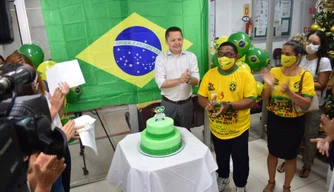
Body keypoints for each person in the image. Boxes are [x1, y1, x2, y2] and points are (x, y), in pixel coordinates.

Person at [198, 41, 257, 192]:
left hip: (238, 129)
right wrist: (207, 105)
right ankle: (223, 176)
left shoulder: (244, 75)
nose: (224, 58)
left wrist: (229, 106)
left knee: (240, 159)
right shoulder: (210, 74)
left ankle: (240, 185)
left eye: (229, 54)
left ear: (237, 57)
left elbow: (251, 100)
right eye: (221, 54)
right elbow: (201, 97)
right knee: (221, 156)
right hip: (217, 128)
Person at [262, 40, 316, 192]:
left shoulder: (305, 76)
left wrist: (289, 93)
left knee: (290, 156)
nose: (284, 57)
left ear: (298, 56)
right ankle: (271, 182)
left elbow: (306, 104)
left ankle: (287, 187)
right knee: (272, 153)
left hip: (294, 122)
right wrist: (269, 84)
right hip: (275, 119)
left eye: (288, 54)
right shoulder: (274, 71)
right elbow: (265, 98)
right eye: (282, 54)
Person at [277, 30, 332, 178]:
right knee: (292, 133)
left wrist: (303, 84)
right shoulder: (301, 58)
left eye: (315, 43)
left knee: (310, 134)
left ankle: (307, 164)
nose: (310, 45)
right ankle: (288, 159)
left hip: (314, 104)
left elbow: (321, 84)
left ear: (321, 45)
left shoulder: (323, 61)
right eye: (309, 42)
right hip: (296, 102)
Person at [154, 26, 200, 130]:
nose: (177, 43)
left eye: (179, 39)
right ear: (166, 42)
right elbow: (161, 83)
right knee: (166, 134)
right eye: (173, 40)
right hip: (168, 104)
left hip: (187, 104)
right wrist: (180, 80)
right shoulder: (160, 58)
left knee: (186, 134)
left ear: (183, 39)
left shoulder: (191, 56)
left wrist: (188, 79)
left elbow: (196, 80)